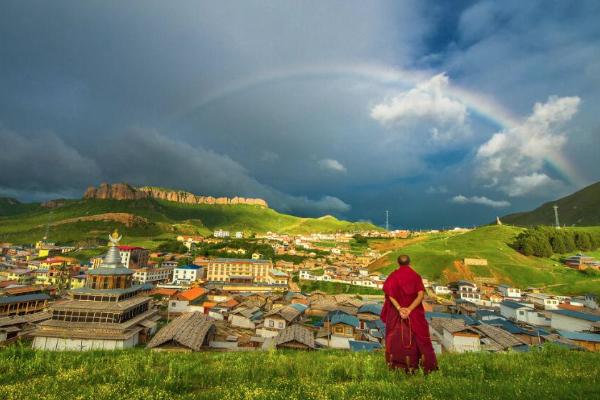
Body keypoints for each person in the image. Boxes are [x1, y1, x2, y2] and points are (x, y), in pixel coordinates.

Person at [380, 254, 438, 373]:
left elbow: (390, 295)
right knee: (420, 339)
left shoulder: (393, 276)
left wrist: (400, 308)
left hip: (397, 313)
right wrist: (410, 309)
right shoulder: (415, 276)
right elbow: (421, 295)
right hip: (415, 312)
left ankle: (396, 365)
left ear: (398, 263)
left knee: (395, 338)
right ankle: (423, 365)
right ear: (409, 263)